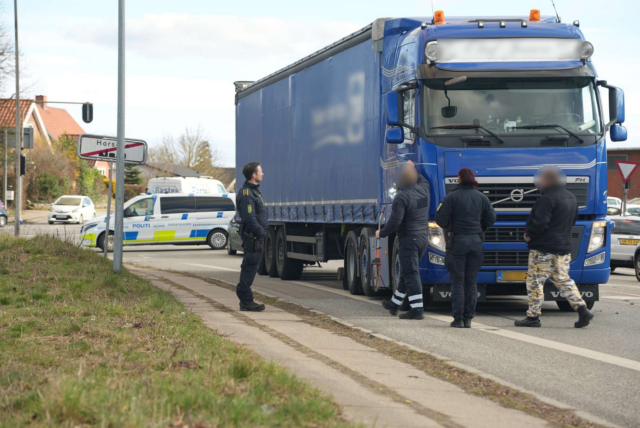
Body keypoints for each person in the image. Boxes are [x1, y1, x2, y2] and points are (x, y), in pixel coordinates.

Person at [516, 167, 594, 328]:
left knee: (535, 282)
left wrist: (529, 235)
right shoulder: (571, 197)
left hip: (543, 249)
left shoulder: (547, 199)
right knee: (563, 280)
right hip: (563, 248)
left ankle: (533, 317)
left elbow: (540, 223)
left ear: (546, 180)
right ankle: (582, 309)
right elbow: (572, 222)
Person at [436, 168, 496, 328]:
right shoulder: (482, 197)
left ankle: (458, 319)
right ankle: (468, 318)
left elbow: (440, 219)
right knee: (471, 282)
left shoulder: (451, 197)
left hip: (458, 242)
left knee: (457, 281)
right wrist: (479, 228)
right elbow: (492, 217)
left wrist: (451, 223)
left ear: (459, 179)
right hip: (476, 242)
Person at [377, 160, 430, 320]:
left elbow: (395, 221)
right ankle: (394, 304)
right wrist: (413, 169)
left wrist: (382, 233)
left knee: (411, 273)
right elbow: (423, 180)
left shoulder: (401, 197)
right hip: (422, 238)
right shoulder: (424, 190)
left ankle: (417, 310)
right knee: (408, 271)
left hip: (409, 239)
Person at [235, 162, 268, 312]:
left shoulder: (255, 192)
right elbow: (249, 218)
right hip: (253, 237)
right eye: (260, 171)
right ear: (253, 175)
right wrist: (261, 233)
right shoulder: (247, 194)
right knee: (249, 267)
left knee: (252, 267)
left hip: (256, 237)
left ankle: (246, 300)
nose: (263, 174)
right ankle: (245, 299)